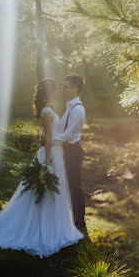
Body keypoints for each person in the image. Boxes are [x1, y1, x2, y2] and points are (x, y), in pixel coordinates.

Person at [0, 78, 84, 258]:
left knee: (55, 191)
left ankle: (54, 224)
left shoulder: (51, 109)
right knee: (46, 190)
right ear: (49, 92)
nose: (58, 91)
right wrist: (47, 159)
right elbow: (47, 138)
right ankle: (44, 226)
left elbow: (53, 135)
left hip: (56, 154)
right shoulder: (47, 111)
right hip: (50, 155)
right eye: (55, 89)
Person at [42, 74, 87, 230]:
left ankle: (79, 222)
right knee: (66, 185)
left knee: (74, 186)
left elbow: (68, 134)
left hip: (73, 151)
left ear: (74, 89)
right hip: (64, 151)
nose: (62, 89)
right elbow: (61, 129)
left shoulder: (78, 110)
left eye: (65, 87)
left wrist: (49, 140)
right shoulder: (70, 107)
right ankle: (69, 217)